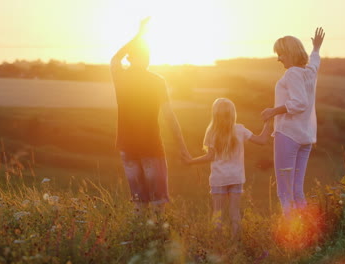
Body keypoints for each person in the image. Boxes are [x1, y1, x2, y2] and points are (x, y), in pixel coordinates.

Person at [110, 17, 189, 216]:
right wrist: (182, 148)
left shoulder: (121, 78)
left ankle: (139, 240)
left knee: (139, 200)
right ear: (135, 57)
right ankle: (155, 239)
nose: (147, 58)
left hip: (127, 145)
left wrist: (138, 35)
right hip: (150, 145)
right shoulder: (157, 81)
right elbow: (169, 116)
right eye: (145, 55)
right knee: (157, 200)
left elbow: (114, 59)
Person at [183, 98, 271, 239]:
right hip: (236, 178)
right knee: (234, 213)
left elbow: (209, 157)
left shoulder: (211, 132)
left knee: (217, 213)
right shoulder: (240, 129)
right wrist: (268, 121)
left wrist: (191, 161)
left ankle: (217, 243)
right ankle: (236, 242)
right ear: (233, 113)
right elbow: (262, 140)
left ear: (214, 114)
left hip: (219, 179)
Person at [261, 28, 325, 217]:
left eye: (281, 54)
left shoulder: (292, 74)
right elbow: (315, 63)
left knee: (284, 191)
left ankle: (291, 234)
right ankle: (305, 231)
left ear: (289, 53)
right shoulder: (308, 73)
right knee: (297, 190)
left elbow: (299, 103)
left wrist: (273, 111)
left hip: (288, 135)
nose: (279, 58)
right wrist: (316, 48)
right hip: (305, 137)